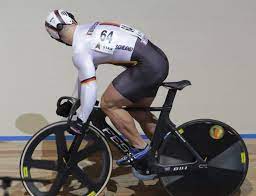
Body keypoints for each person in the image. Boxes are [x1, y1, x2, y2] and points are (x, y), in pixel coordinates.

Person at [45, 9, 169, 166]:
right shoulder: (88, 31)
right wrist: (74, 102)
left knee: (108, 104)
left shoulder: (80, 48)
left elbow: (89, 86)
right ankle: (173, 149)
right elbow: (84, 77)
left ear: (55, 36)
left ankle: (140, 148)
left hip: (147, 67)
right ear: (72, 21)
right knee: (139, 112)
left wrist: (81, 119)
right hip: (157, 61)